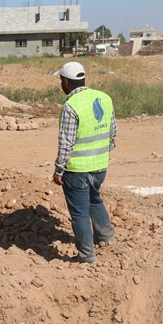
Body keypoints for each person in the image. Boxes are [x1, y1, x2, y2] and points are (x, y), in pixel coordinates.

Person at [52, 62, 117, 264]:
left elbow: (66, 142)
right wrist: (101, 155)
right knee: (94, 200)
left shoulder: (71, 106)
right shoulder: (104, 98)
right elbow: (112, 132)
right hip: (100, 166)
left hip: (77, 170)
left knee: (79, 213)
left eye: (60, 81)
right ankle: (107, 238)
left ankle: (87, 256)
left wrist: (59, 169)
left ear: (65, 81)